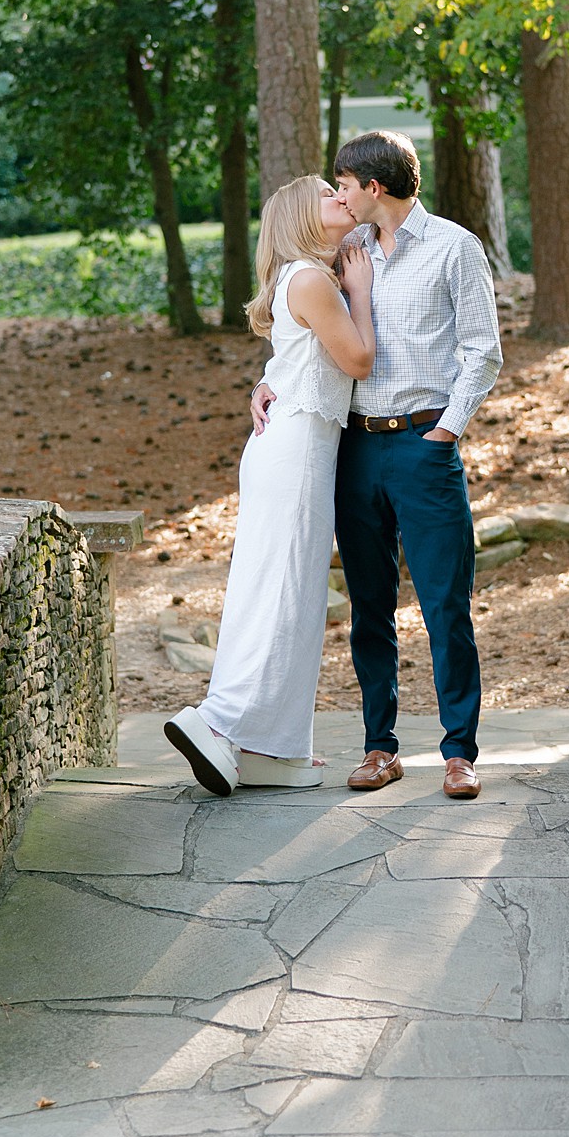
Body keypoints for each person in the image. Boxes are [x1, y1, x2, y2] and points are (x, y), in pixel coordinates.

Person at [252, 130, 502, 799]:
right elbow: (306, 336)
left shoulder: (455, 248)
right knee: (369, 606)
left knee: (445, 603)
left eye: (343, 185)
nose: (335, 196)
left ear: (375, 187)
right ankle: (380, 747)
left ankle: (458, 753)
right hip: (354, 450)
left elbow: (483, 351)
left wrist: (447, 432)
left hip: (424, 446)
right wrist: (268, 380)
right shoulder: (344, 254)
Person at [164, 176, 374, 797]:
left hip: (290, 445)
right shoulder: (312, 279)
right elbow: (357, 360)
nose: (339, 196)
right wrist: (358, 293)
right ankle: (219, 722)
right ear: (300, 218)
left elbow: (292, 359)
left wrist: (261, 382)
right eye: (324, 193)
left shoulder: (304, 277)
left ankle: (271, 749)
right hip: (296, 453)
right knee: (279, 589)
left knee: (293, 594)